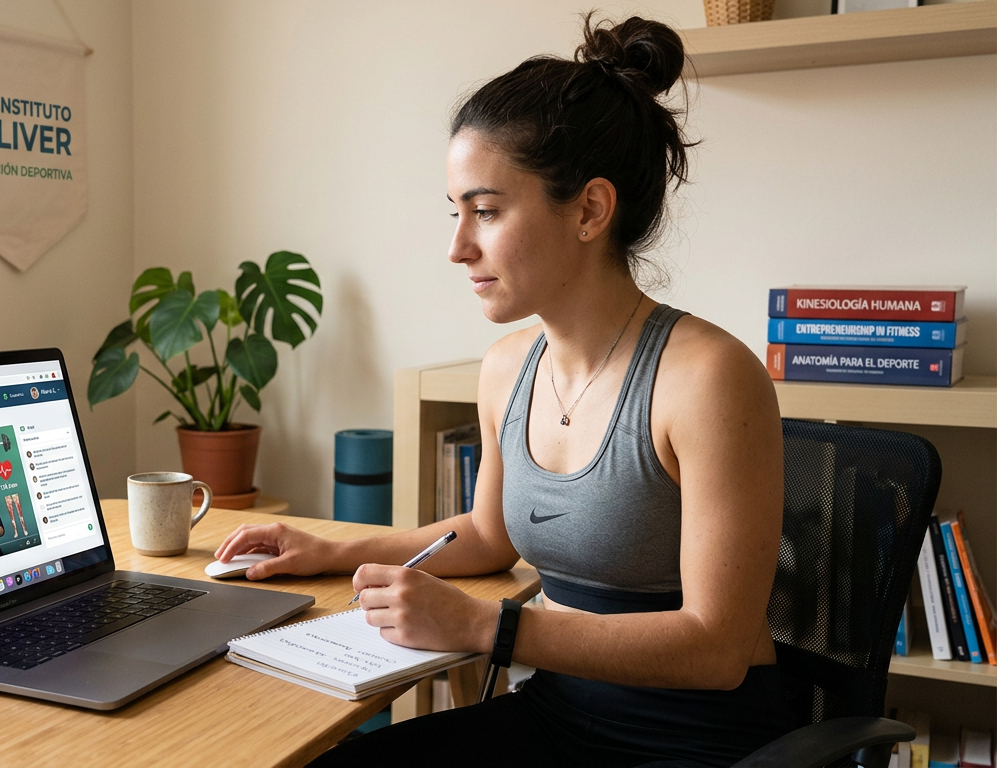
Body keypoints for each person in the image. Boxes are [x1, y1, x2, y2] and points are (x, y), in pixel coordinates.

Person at [214, 15, 793, 767]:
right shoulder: (506, 367)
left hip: (694, 742)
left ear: (589, 209)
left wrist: (487, 628)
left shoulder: (709, 378)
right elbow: (489, 537)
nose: (457, 247)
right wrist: (330, 548)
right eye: (456, 212)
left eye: (485, 211)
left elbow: (715, 649)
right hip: (556, 717)